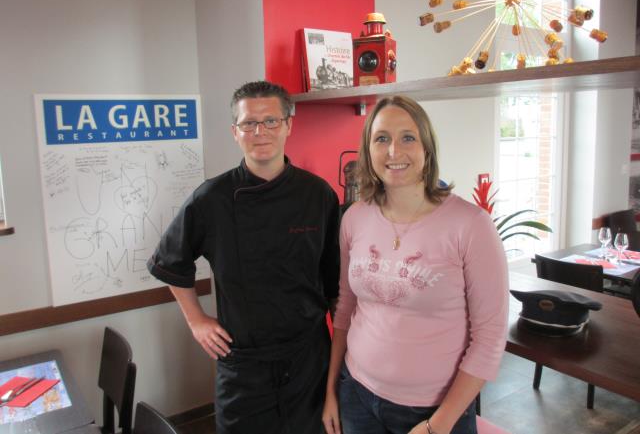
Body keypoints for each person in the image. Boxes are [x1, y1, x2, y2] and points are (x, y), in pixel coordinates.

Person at [147, 81, 340, 434]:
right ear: (235, 132)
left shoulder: (319, 195)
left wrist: (341, 372)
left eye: (271, 121)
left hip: (309, 362)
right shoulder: (212, 199)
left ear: (288, 125)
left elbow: (334, 288)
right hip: (243, 368)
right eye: (249, 123)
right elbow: (170, 261)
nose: (260, 132)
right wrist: (196, 321)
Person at [322, 95, 508, 434]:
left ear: (427, 148)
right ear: (368, 150)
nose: (394, 151)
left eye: (408, 137)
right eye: (382, 139)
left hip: (434, 411)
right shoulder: (355, 218)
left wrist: (439, 424)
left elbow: (491, 337)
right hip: (356, 396)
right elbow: (346, 308)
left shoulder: (471, 225)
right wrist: (331, 390)